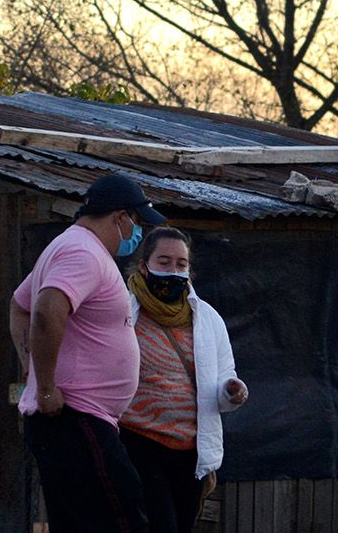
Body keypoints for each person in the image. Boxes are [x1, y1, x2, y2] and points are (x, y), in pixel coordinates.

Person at [10, 173, 166, 532]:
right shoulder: (83, 252)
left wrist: (30, 370)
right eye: (137, 223)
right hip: (77, 419)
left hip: (76, 420)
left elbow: (19, 307)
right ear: (120, 217)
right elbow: (47, 310)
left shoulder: (70, 247)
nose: (137, 235)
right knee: (121, 519)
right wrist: (44, 386)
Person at [119, 227, 248, 533]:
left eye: (181, 264)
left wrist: (232, 391)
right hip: (138, 443)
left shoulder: (208, 319)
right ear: (143, 265)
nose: (173, 271)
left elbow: (223, 380)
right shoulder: (121, 312)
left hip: (191, 452)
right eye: (163, 262)